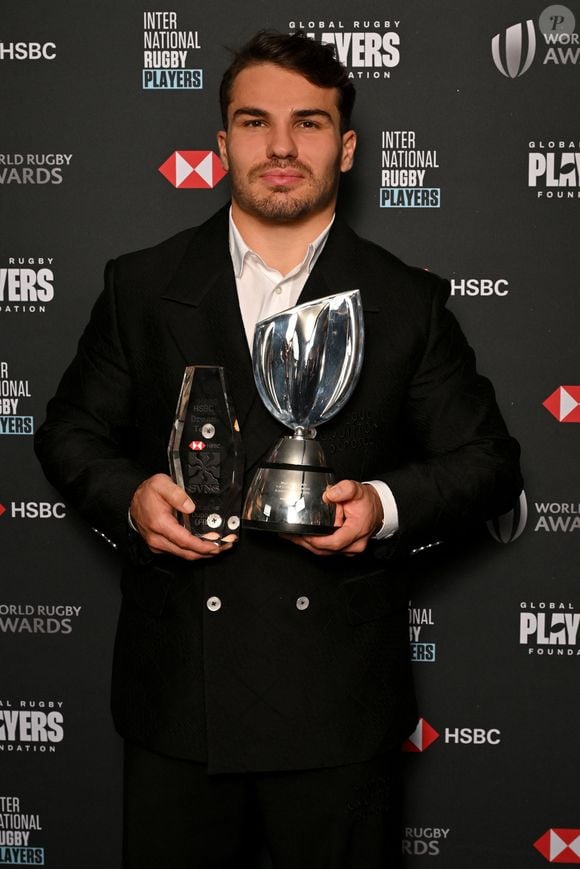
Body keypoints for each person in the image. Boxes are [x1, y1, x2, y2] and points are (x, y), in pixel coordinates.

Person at [35, 30, 522, 869]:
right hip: (181, 699)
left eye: (311, 123)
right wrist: (130, 497)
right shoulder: (142, 284)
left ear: (349, 145)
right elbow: (69, 431)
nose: (283, 147)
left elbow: (488, 461)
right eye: (256, 122)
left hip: (336, 706)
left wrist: (383, 506)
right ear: (223, 143)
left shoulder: (408, 302)